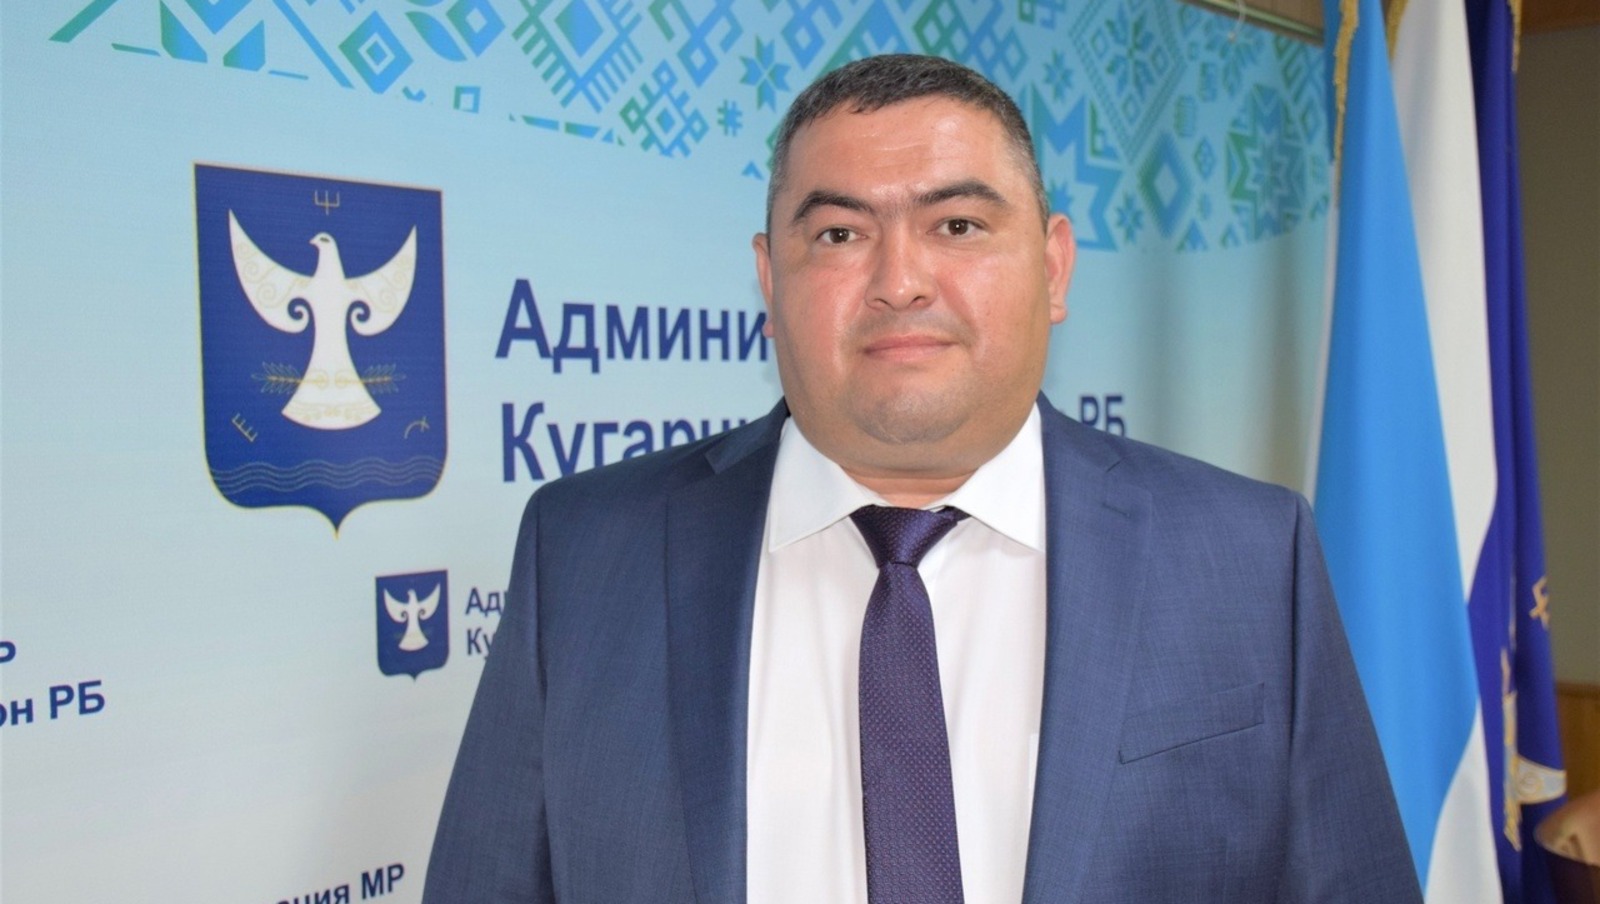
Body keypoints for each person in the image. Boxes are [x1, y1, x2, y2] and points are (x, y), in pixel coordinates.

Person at [423, 54, 1422, 903]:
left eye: (958, 226)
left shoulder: (1250, 557)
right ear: (769, 281)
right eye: (839, 234)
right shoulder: (585, 552)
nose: (899, 281)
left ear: (1055, 267)